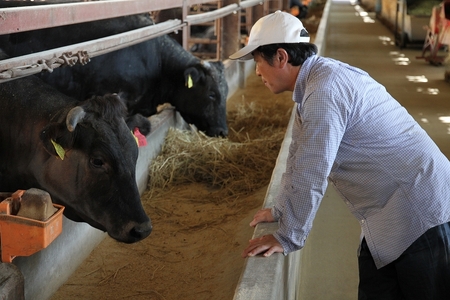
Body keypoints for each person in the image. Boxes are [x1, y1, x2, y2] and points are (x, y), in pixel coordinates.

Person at [229, 10, 450, 300]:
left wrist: (287, 237)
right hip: (386, 217)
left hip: (421, 213)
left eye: (258, 61)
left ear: (281, 57)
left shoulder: (323, 92)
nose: (257, 72)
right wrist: (281, 209)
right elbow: (297, 156)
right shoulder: (313, 85)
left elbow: (312, 170)